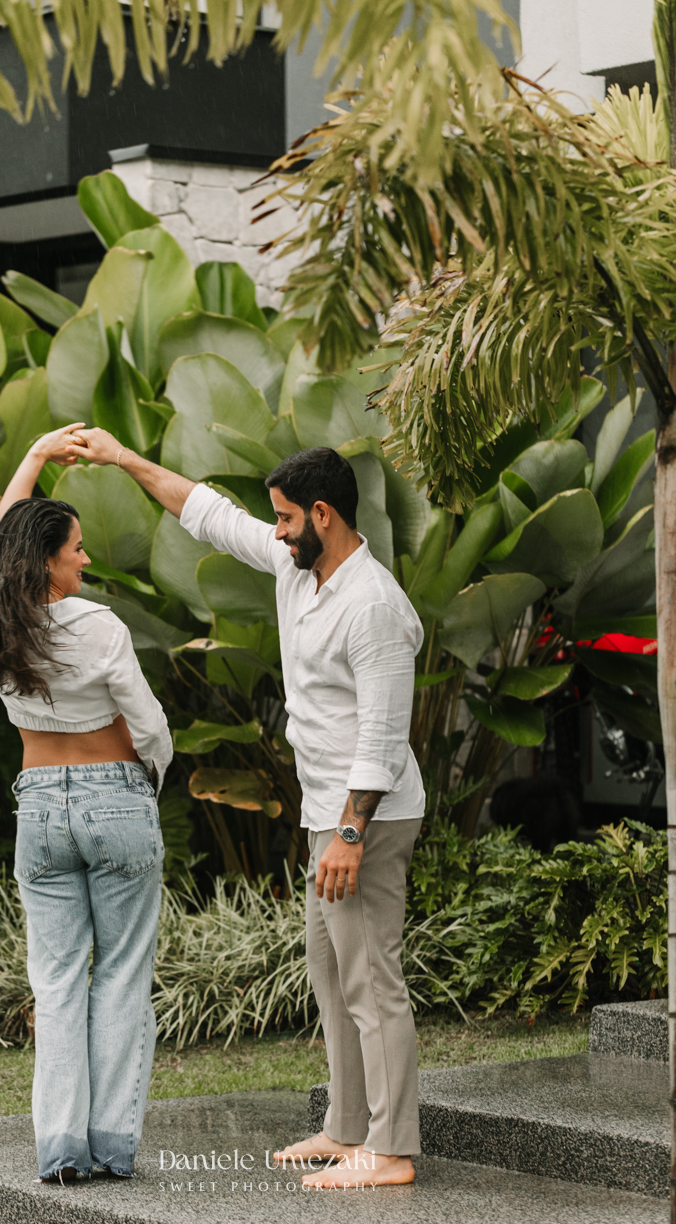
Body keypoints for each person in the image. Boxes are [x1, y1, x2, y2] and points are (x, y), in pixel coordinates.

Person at [75, 430, 425, 1189]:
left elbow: (384, 738)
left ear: (323, 514)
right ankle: (344, 1126)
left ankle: (391, 1148)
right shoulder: (297, 568)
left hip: (367, 818)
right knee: (331, 975)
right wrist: (123, 459)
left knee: (371, 981)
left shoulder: (375, 608)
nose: (274, 530)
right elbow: (207, 513)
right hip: (325, 817)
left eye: (286, 518)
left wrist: (350, 833)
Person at [0, 424, 172, 1186]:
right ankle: (111, 1146)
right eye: (76, 550)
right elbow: (149, 723)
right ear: (48, 561)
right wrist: (147, 778)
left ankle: (62, 1149)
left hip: (37, 809)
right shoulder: (98, 625)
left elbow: (2, 539)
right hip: (114, 799)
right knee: (122, 974)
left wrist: (34, 457)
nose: (86, 559)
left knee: (58, 981)